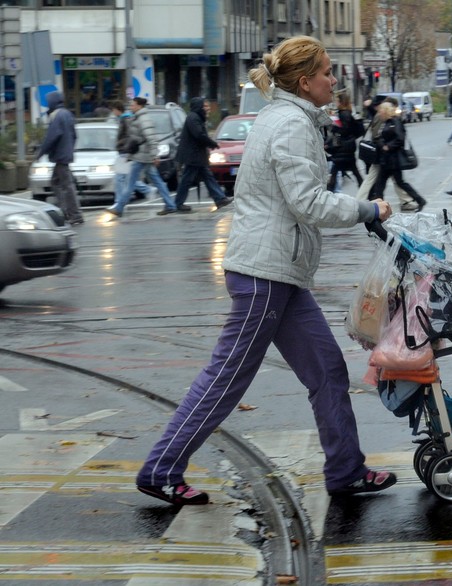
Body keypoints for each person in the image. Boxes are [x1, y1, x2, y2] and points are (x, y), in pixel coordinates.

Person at [135, 36, 395, 505]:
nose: (334, 80)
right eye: (327, 73)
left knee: (328, 370)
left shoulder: (286, 118)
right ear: (304, 81)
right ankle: (161, 468)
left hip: (282, 273)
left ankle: (345, 470)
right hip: (264, 275)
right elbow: (309, 202)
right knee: (227, 375)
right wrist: (368, 210)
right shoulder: (291, 125)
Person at [106, 97, 178, 217]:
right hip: (143, 155)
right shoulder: (139, 117)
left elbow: (151, 138)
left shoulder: (143, 119)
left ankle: (119, 207)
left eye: (133, 105)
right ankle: (170, 205)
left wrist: (155, 155)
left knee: (130, 182)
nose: (131, 107)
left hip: (142, 156)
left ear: (139, 106)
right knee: (157, 181)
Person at [356, 96, 418, 210]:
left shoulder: (381, 115)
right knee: (377, 179)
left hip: (383, 155)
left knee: (393, 179)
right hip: (382, 155)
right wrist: (384, 145)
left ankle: (405, 201)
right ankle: (360, 202)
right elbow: (378, 134)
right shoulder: (382, 116)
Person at [173, 97, 233, 212]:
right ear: (199, 107)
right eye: (205, 106)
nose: (207, 108)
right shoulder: (193, 118)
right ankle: (178, 203)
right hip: (193, 156)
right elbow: (199, 135)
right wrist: (212, 143)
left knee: (206, 177)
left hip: (196, 155)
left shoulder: (196, 117)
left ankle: (220, 199)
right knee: (187, 180)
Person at [36, 91, 84, 225]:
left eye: (48, 101)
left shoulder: (57, 116)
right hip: (65, 154)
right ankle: (66, 212)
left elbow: (51, 137)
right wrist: (69, 149)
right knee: (57, 182)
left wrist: (41, 152)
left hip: (60, 156)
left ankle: (73, 214)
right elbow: (74, 135)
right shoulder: (67, 114)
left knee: (66, 186)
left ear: (52, 102)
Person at [369, 102, 427, 211]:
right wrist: (381, 143)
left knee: (397, 183)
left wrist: (388, 146)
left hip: (393, 160)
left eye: (381, 110)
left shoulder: (395, 121)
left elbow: (400, 139)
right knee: (381, 185)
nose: (379, 112)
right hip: (386, 160)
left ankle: (419, 200)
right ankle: (379, 207)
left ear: (385, 111)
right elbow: (382, 137)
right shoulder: (386, 122)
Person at [110, 100, 152, 204]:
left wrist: (122, 145)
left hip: (124, 150)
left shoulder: (125, 119)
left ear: (117, 110)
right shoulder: (124, 118)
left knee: (120, 177)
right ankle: (147, 189)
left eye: (113, 110)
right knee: (126, 177)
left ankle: (119, 200)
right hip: (125, 150)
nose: (113, 113)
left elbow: (130, 135)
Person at [326, 92, 365, 192]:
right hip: (347, 147)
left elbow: (345, 130)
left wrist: (335, 127)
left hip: (343, 147)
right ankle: (366, 192)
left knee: (335, 171)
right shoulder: (347, 113)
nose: (335, 102)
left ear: (341, 102)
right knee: (355, 172)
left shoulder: (344, 114)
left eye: (337, 100)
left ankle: (330, 191)